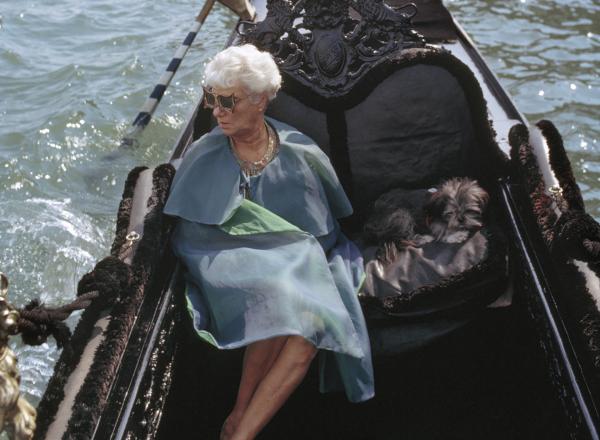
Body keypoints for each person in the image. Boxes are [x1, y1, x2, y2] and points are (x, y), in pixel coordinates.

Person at [164, 44, 374, 440]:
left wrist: (291, 254)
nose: (217, 111)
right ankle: (241, 418)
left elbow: (321, 233)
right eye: (211, 99)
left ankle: (239, 426)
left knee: (307, 327)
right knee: (280, 290)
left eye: (228, 101)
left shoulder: (297, 151)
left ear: (260, 100)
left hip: (293, 258)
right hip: (219, 249)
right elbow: (193, 227)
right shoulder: (204, 153)